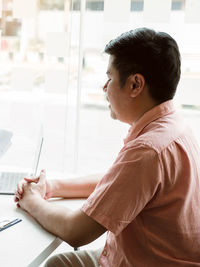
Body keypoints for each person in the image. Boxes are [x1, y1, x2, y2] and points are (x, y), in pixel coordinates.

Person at [15, 28, 200, 266]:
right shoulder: (174, 126)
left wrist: (30, 201)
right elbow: (120, 183)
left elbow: (76, 231)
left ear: (135, 84)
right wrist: (51, 187)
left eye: (110, 78)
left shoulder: (148, 150)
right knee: (58, 263)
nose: (104, 88)